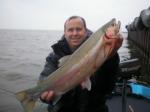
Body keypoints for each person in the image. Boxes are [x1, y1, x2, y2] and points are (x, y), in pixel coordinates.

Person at [38, 16, 123, 112]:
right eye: (70, 30)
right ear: (65, 33)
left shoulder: (100, 48)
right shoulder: (54, 57)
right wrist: (42, 95)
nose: (75, 33)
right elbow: (44, 79)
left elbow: (107, 88)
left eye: (78, 29)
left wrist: (110, 58)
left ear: (85, 31)